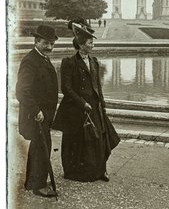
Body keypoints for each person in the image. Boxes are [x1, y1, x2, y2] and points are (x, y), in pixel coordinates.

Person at [52, 19, 120, 182]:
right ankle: (75, 172)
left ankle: (101, 170)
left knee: (100, 138)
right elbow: (66, 89)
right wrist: (82, 103)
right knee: (76, 140)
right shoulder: (69, 62)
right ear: (82, 45)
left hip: (94, 107)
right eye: (90, 43)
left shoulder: (94, 62)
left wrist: (102, 104)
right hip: (76, 108)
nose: (93, 46)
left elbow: (98, 86)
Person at [16, 25, 60, 197]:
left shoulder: (42, 57)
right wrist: (36, 111)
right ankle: (38, 185)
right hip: (36, 115)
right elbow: (21, 91)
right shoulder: (30, 60)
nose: (49, 47)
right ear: (36, 41)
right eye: (46, 43)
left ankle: (34, 181)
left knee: (41, 146)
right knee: (41, 147)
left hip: (43, 114)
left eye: (52, 44)